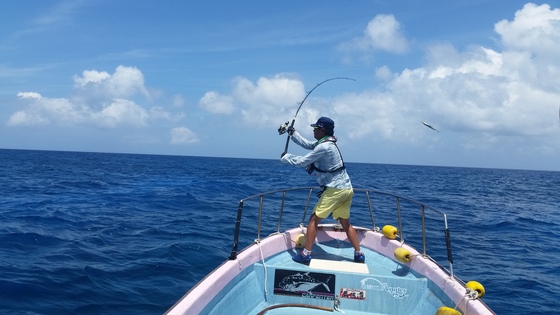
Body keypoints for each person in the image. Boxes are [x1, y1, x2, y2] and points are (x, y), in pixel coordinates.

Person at [280, 117, 365, 264]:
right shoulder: (326, 143)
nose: (313, 130)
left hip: (335, 190)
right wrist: (293, 134)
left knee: (313, 220)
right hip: (347, 189)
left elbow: (302, 162)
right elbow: (308, 144)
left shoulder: (324, 147)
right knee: (346, 223)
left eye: (315, 128)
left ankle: (306, 254)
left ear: (322, 130)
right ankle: (359, 254)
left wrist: (286, 158)